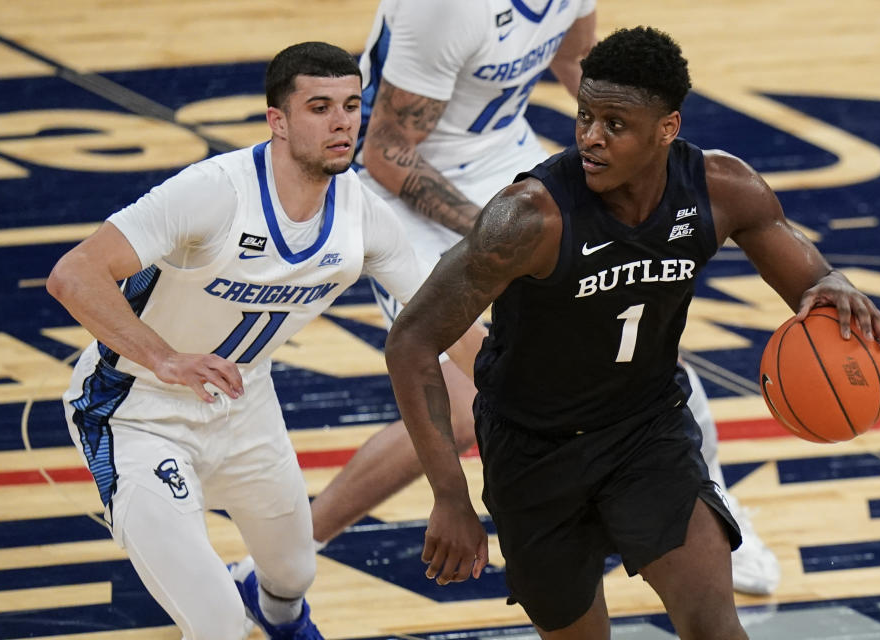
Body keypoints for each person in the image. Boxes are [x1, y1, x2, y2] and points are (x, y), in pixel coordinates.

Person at [383, 26, 880, 640]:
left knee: (714, 625)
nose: (591, 138)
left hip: (645, 433)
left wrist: (831, 282)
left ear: (668, 128)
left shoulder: (720, 188)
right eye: (584, 117)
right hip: (531, 449)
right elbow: (411, 341)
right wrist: (449, 494)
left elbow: (811, 280)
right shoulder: (528, 217)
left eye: (615, 124)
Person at [308, 0, 780, 596]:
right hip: (408, 190)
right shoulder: (448, 10)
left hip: (506, 158)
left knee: (638, 324)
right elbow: (386, 152)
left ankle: (711, 509)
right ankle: (287, 563)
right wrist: (504, 232)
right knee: (462, 409)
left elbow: (577, 57)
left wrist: (644, 146)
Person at [47, 41, 481, 640]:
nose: (341, 122)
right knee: (217, 625)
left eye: (352, 105)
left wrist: (542, 405)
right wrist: (163, 357)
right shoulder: (213, 192)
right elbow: (74, 274)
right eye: (319, 106)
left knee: (293, 571)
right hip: (136, 413)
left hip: (243, 401)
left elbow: (448, 323)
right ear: (277, 120)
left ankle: (279, 615)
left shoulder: (361, 213)